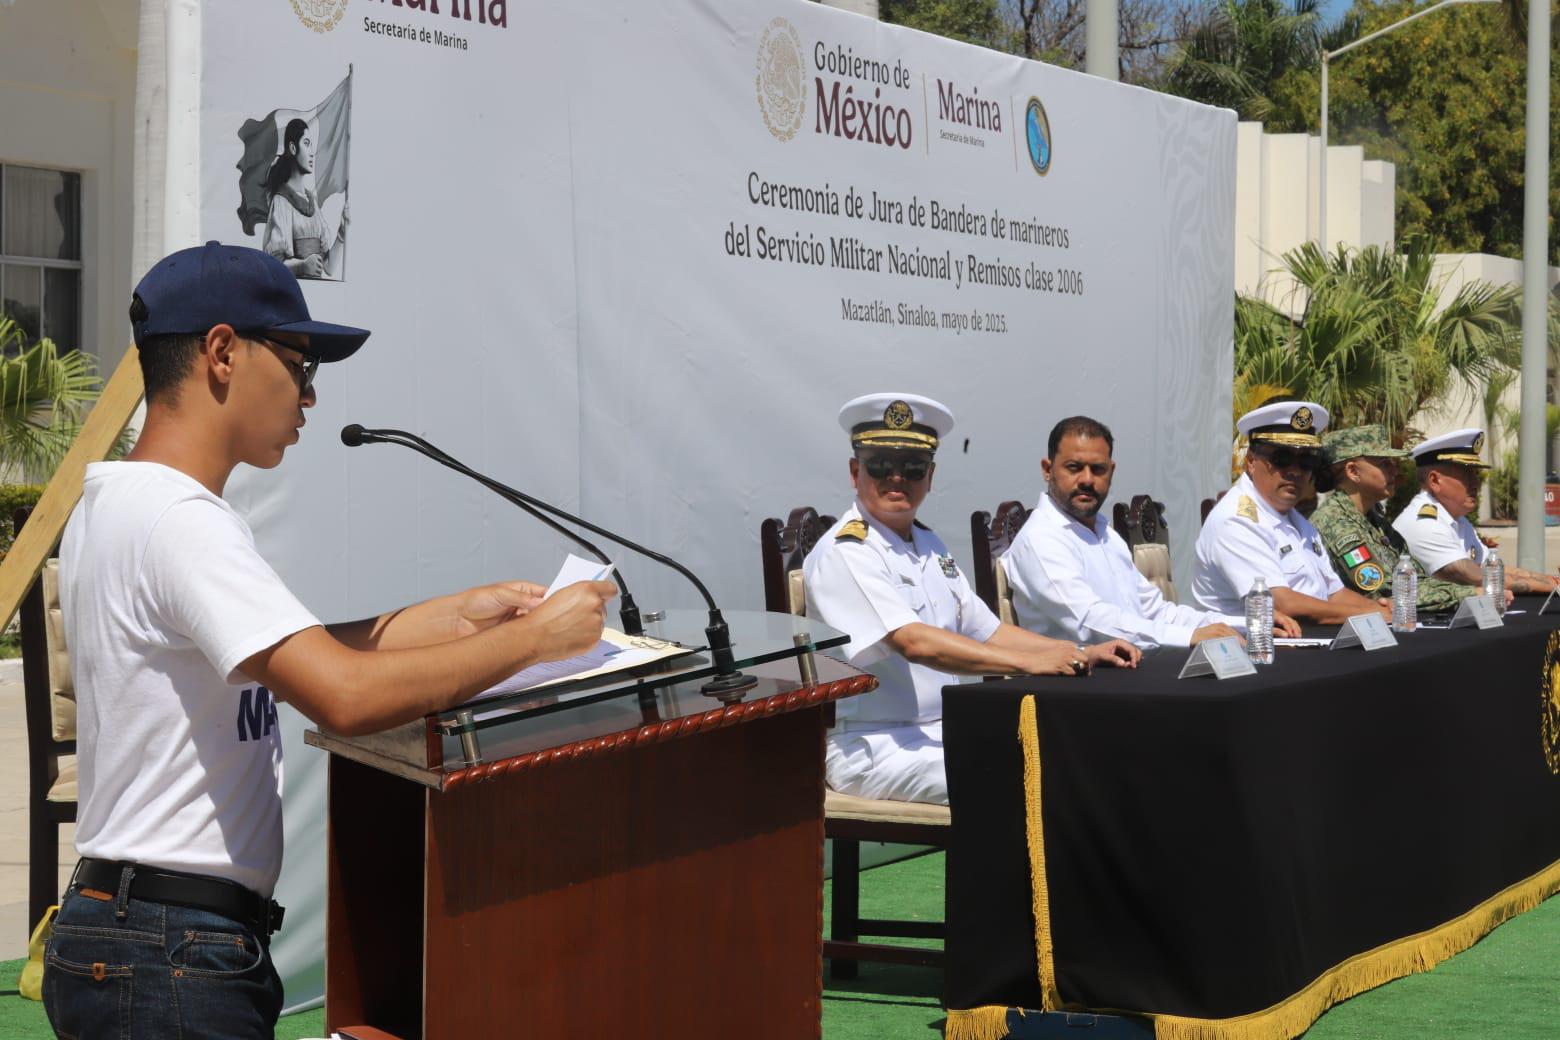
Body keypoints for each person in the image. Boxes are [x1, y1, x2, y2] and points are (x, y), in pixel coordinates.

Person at [43, 242, 616, 1039]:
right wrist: (536, 644)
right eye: (301, 362)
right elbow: (343, 695)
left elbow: (294, 653)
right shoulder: (179, 521)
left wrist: (459, 617)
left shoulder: (125, 502)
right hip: (170, 947)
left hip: (149, 933)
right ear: (220, 352)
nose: (310, 395)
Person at [803, 394, 1140, 805]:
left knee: (1076, 750)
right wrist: (1031, 663)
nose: (897, 479)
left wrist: (1081, 652)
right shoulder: (847, 550)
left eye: (912, 467)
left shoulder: (927, 544)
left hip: (942, 729)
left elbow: (990, 631)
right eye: (880, 466)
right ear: (856, 472)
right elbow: (914, 641)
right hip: (876, 745)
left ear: (930, 475)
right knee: (1031, 777)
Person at [1002, 415, 1298, 650]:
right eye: (1074, 467)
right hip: (1072, 693)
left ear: (1112, 471)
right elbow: (1090, 622)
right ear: (1047, 469)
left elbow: (1157, 611)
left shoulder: (1104, 534)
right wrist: (1191, 637)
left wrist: (1243, 625)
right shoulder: (1041, 538)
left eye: (1098, 469)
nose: (1087, 480)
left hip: (1128, 675)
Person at [1192, 401, 1392, 624]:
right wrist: (1370, 615)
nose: (1295, 471)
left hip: (1303, 639)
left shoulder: (1296, 521)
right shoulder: (1236, 520)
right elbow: (1282, 604)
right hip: (1254, 647)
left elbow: (1333, 593)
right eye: (1282, 459)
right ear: (1250, 462)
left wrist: (1382, 608)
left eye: (1306, 461)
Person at [1311, 425, 1499, 612]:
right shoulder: (1335, 522)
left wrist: (1474, 592)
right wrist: (1470, 594)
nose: (1395, 471)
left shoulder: (1375, 521)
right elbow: (1385, 591)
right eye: (1384, 463)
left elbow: (1415, 578)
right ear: (1353, 472)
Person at [1391, 428, 1557, 595]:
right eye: (1466, 475)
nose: (1476, 483)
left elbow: (1489, 566)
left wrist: (1550, 580)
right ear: (1434, 480)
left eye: (1475, 474)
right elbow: (1472, 575)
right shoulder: (1424, 523)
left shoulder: (1456, 520)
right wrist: (1551, 586)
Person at [262, 118, 349, 279]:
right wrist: (302, 266)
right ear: (293, 148)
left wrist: (342, 233)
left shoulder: (312, 201)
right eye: (306, 143)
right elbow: (273, 265)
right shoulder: (281, 201)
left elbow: (328, 267)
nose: (311, 153)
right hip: (294, 295)